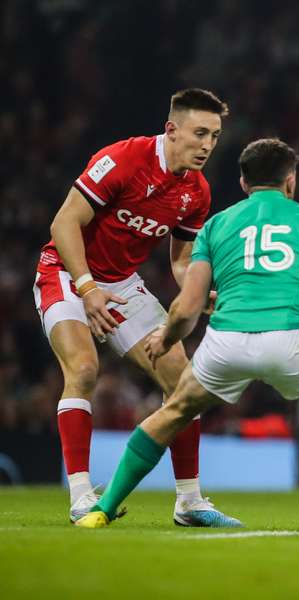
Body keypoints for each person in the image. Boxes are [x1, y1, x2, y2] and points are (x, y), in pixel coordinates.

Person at [75, 138, 299, 538]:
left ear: (243, 182)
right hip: (293, 342)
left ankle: (103, 508)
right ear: (290, 181)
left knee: (173, 412)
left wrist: (165, 339)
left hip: (226, 343)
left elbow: (188, 307)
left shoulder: (216, 226)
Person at [33, 89, 240, 527]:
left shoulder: (196, 192)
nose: (207, 145)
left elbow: (181, 263)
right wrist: (87, 288)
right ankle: (82, 495)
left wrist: (200, 293)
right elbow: (63, 223)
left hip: (123, 285)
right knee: (85, 369)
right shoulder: (123, 159)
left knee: (183, 380)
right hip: (69, 274)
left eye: (215, 136)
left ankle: (189, 500)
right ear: (171, 129)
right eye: (199, 133)